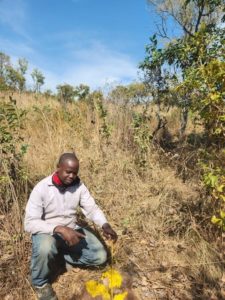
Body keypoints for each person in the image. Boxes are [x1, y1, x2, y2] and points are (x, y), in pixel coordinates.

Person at [24, 152, 117, 300]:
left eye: (75, 173)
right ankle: (40, 283)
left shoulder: (79, 186)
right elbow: (29, 223)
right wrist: (59, 228)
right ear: (58, 168)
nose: (72, 176)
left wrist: (105, 225)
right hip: (47, 232)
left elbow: (91, 209)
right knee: (45, 247)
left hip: (71, 231)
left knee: (100, 257)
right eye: (68, 172)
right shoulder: (42, 188)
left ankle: (59, 258)